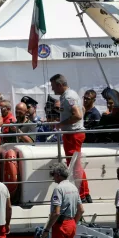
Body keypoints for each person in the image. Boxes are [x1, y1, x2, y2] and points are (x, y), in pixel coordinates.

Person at [50, 74, 91, 203]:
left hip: (73, 134)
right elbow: (82, 110)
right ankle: (83, 193)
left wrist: (62, 124)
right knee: (73, 164)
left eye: (53, 86)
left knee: (74, 165)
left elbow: (78, 115)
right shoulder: (69, 95)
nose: (52, 90)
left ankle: (84, 194)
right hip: (72, 133)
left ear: (59, 85)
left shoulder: (68, 96)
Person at [41, 163, 84, 238]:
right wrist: (73, 223)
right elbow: (81, 210)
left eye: (54, 175)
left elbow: (56, 212)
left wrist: (47, 230)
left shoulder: (58, 189)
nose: (53, 178)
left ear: (58, 174)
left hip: (61, 226)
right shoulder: (74, 188)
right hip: (71, 224)